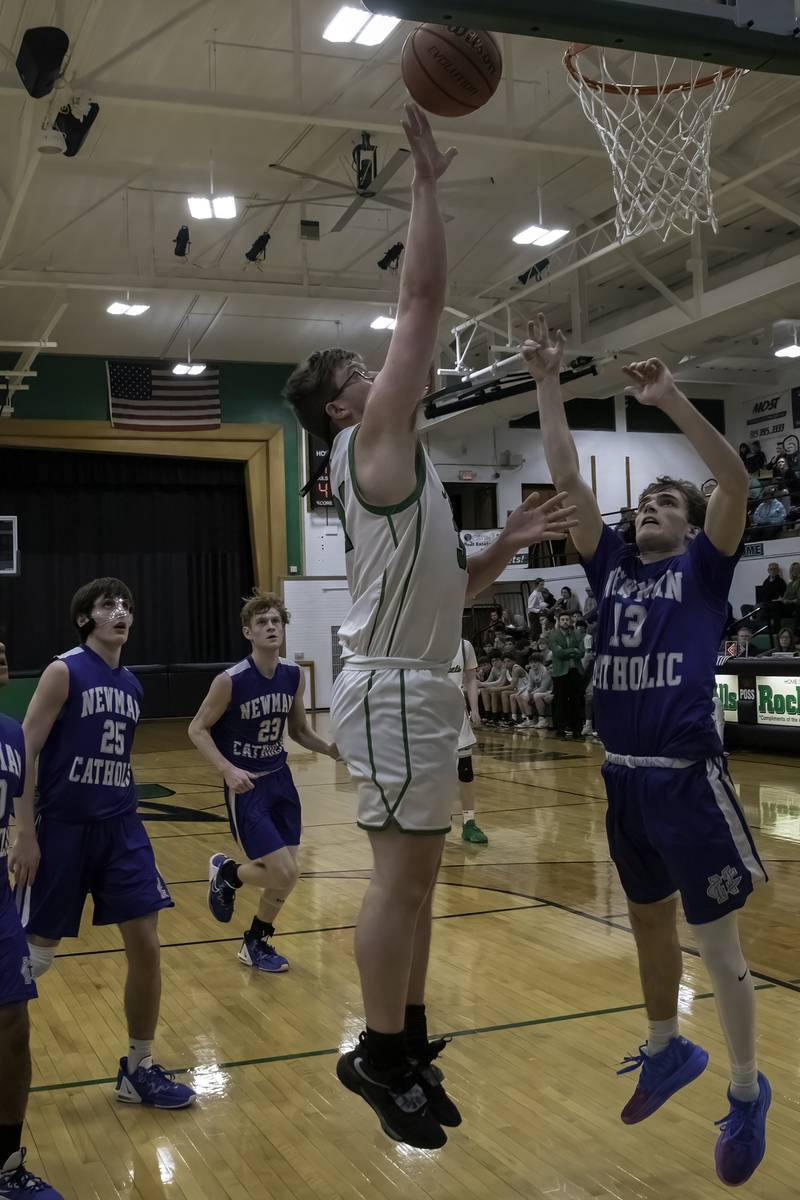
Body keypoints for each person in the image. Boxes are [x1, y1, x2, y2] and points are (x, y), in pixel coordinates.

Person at [283, 106, 576, 1150]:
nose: (378, 370)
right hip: (400, 687)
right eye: (356, 369)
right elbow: (421, 297)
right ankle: (373, 1050)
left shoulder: (395, 470)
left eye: (373, 366)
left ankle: (404, 1040)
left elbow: (449, 587)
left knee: (418, 882)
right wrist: (423, 184)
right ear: (335, 407)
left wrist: (504, 550)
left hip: (417, 677)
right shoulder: (372, 438)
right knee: (398, 882)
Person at [525, 314, 770, 1188]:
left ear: (693, 521)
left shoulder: (704, 570)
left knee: (717, 944)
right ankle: (667, 1048)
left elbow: (735, 478)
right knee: (646, 925)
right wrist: (549, 380)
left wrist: (668, 400)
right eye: (646, 503)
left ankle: (746, 1090)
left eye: (665, 502)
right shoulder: (610, 569)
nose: (648, 509)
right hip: (623, 781)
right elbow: (565, 479)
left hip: (688, 781)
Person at [15, 579, 195, 1109]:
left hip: (121, 829)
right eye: (107, 605)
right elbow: (26, 751)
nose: (120, 612)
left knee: (146, 943)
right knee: (35, 961)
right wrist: (25, 832)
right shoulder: (63, 671)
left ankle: (137, 1068)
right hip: (63, 829)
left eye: (126, 606)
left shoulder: (134, 686)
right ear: (84, 619)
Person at [189, 591, 338, 972]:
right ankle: (227, 873)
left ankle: (254, 943)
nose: (271, 627)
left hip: (281, 780)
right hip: (247, 786)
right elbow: (197, 729)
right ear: (248, 632)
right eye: (262, 623)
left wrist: (332, 750)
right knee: (283, 872)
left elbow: (300, 731)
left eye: (276, 621)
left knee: (288, 875)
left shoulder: (292, 675)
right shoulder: (231, 680)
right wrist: (226, 769)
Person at [0, 639, 63, 1200]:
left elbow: (21, 798)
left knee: (15, 1025)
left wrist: (26, 836)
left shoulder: (11, 735)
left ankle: (6, 1164)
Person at [447, 638, 488, 844]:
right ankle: (435, 818)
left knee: (465, 771)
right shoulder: (421, 640)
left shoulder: (464, 646)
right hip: (426, 717)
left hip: (456, 717)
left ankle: (469, 822)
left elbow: (471, 679)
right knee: (430, 773)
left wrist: (475, 709)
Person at [544, 613, 585, 739]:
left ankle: (577, 730)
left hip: (575, 671)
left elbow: (582, 653)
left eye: (567, 619)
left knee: (577, 701)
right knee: (560, 701)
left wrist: (569, 651)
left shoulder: (577, 634)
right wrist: (573, 650)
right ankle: (560, 729)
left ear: (571, 621)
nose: (565, 621)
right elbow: (558, 653)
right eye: (562, 620)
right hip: (560, 673)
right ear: (559, 621)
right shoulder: (552, 635)